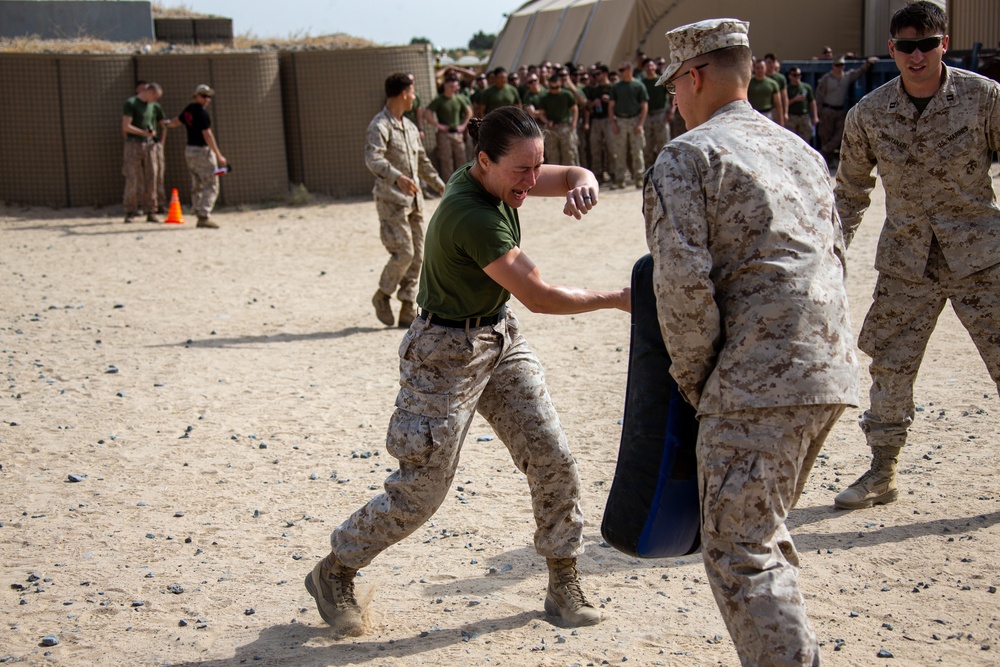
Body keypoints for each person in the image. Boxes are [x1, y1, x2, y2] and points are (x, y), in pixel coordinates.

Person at [305, 105, 630, 636]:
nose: (531, 180)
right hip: (444, 354)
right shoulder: (472, 215)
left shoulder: (498, 174)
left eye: (536, 166)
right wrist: (619, 298)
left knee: (553, 456)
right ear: (484, 162)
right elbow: (541, 297)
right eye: (522, 171)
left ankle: (563, 578)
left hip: (496, 338)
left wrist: (584, 180)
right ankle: (335, 572)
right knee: (423, 490)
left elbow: (569, 175)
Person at [643, 18, 859, 665]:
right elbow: (838, 254)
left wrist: (697, 380)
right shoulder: (800, 150)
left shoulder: (687, 156)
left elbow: (681, 287)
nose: (674, 103)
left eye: (674, 88)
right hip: (826, 370)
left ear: (695, 76)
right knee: (760, 532)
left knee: (741, 553)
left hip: (752, 380)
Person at [833, 1, 1000, 510]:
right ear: (892, 49)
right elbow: (850, 192)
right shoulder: (870, 113)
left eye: (927, 44)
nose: (917, 55)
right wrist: (831, 253)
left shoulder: (983, 97)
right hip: (908, 263)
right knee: (891, 367)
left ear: (943, 43)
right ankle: (882, 472)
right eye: (907, 46)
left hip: (982, 257)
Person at [361, 73, 446, 328]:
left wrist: (443, 187)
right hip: (392, 201)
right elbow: (372, 159)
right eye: (412, 91)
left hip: (415, 201)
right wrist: (397, 177)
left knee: (419, 254)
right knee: (404, 252)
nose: (415, 96)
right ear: (402, 94)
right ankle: (383, 295)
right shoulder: (380, 126)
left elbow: (422, 162)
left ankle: (408, 306)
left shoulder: (409, 127)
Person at [162, 84, 228, 229]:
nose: (207, 99)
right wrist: (219, 155)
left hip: (190, 151)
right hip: (202, 151)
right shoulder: (202, 114)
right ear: (196, 96)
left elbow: (176, 122)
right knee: (211, 184)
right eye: (204, 96)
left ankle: (197, 209)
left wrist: (165, 123)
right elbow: (207, 134)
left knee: (197, 181)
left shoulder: (189, 109)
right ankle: (203, 216)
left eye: (209, 96)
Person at [816, 54, 878, 165]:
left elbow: (860, 72)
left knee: (840, 135)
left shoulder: (847, 76)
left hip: (839, 110)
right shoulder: (826, 79)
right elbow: (819, 95)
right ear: (833, 66)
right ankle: (827, 159)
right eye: (837, 65)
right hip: (827, 110)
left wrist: (868, 63)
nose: (839, 67)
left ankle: (824, 151)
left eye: (841, 65)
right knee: (826, 135)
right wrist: (819, 112)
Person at [121, 82, 163, 223]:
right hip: (133, 144)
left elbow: (161, 122)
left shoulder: (154, 106)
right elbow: (126, 126)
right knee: (132, 177)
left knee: (152, 176)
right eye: (155, 96)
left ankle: (151, 211)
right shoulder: (131, 103)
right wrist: (142, 132)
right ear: (149, 92)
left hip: (150, 145)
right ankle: (130, 211)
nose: (156, 100)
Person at [425, 74, 472, 183]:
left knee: (461, 159)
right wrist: (437, 125)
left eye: (455, 87)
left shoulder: (459, 99)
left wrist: (463, 125)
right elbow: (427, 113)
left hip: (457, 133)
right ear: (445, 86)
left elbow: (469, 112)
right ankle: (449, 184)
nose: (453, 89)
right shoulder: (439, 100)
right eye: (451, 86)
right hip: (444, 134)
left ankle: (462, 183)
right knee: (446, 161)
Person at [609, 60, 648, 188]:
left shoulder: (638, 86)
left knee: (637, 151)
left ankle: (639, 178)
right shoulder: (616, 87)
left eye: (622, 70)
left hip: (635, 119)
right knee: (620, 151)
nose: (620, 73)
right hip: (621, 120)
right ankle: (620, 179)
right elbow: (611, 106)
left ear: (629, 70)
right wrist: (613, 123)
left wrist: (640, 124)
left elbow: (644, 105)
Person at [536, 75, 579, 165]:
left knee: (568, 153)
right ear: (549, 86)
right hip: (551, 127)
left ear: (561, 84)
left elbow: (575, 109)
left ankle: (569, 175)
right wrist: (547, 121)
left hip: (565, 126)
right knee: (552, 154)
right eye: (552, 87)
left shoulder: (566, 94)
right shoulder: (545, 97)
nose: (555, 89)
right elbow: (541, 114)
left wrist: (574, 124)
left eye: (557, 87)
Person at [641, 57, 673, 167]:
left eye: (651, 65)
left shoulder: (662, 81)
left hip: (661, 115)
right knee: (647, 145)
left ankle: (665, 166)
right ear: (643, 69)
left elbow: (672, 97)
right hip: (647, 116)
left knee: (663, 143)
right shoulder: (642, 83)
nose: (650, 68)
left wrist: (671, 112)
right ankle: (649, 168)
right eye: (647, 66)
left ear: (655, 66)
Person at [785, 67, 818, 145]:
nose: (797, 77)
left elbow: (812, 102)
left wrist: (815, 116)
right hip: (792, 116)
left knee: (806, 139)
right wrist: (794, 99)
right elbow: (784, 104)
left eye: (799, 75)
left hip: (804, 116)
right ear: (789, 76)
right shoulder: (787, 89)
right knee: (791, 140)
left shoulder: (806, 87)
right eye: (794, 75)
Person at [747, 59, 781, 124]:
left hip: (767, 114)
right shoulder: (748, 83)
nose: (760, 70)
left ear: (765, 69)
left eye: (762, 68)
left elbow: (778, 103)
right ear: (754, 69)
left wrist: (780, 120)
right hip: (752, 114)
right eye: (757, 68)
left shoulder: (772, 83)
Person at [763, 53, 788, 125]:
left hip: (776, 109)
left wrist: (785, 112)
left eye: (773, 62)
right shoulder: (760, 77)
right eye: (769, 63)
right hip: (765, 109)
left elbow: (784, 96)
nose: (771, 65)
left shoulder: (780, 78)